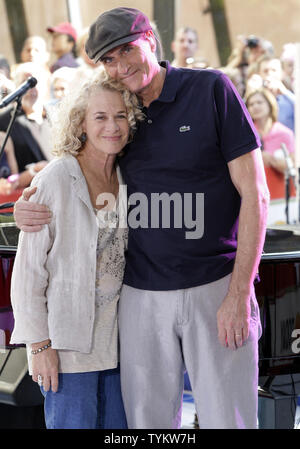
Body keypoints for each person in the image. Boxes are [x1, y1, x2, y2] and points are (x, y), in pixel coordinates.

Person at [14, 7, 269, 429]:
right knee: (147, 425)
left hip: (216, 286)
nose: (120, 65)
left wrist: (240, 293)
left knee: (231, 420)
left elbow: (255, 195)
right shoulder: (121, 111)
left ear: (151, 39)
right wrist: (31, 199)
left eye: (127, 50)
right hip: (140, 296)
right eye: (108, 60)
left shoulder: (211, 90)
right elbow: (77, 167)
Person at [10, 68, 143, 429]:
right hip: (67, 350)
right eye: (100, 116)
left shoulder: (129, 177)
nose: (112, 126)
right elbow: (27, 275)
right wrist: (38, 348)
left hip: (120, 347)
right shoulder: (55, 177)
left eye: (121, 116)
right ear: (81, 123)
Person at [245, 88, 295, 221]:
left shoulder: (284, 133)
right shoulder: (245, 134)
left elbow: (292, 168)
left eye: (259, 102)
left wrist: (270, 159)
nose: (255, 106)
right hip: (254, 196)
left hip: (280, 197)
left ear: (270, 104)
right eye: (251, 104)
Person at [0, 62, 53, 188]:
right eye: (26, 83)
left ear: (45, 86)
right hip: (31, 195)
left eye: (35, 83)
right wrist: (33, 171)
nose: (31, 89)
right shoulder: (4, 122)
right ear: (17, 87)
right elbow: (6, 179)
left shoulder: (58, 115)